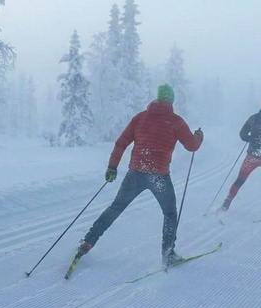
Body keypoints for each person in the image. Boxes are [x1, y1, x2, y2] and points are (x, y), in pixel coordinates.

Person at [73, 84, 204, 267]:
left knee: (116, 207)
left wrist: (112, 167)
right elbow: (192, 146)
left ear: (157, 98)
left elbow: (121, 143)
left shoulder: (140, 118)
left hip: (135, 173)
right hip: (159, 176)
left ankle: (88, 242)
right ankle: (168, 254)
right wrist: (199, 137)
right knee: (169, 213)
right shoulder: (176, 121)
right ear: (171, 100)